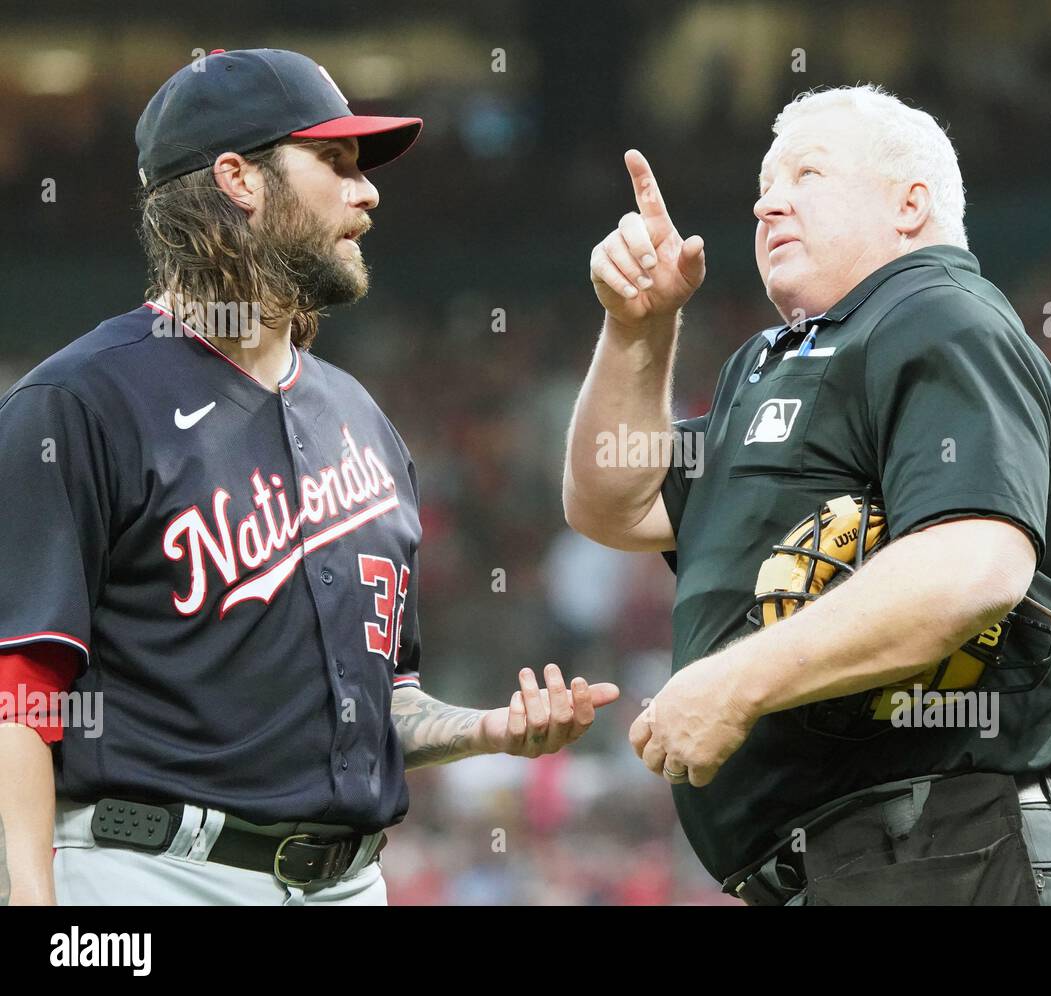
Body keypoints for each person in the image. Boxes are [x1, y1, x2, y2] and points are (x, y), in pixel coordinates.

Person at [0, 48, 617, 907]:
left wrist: (487, 730)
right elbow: (16, 699)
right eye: (335, 162)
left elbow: (383, 701)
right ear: (237, 179)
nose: (366, 192)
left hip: (351, 883)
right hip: (150, 873)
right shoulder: (78, 404)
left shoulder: (361, 419)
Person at [564, 84, 1051, 905]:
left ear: (910, 205)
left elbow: (973, 565)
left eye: (806, 175)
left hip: (940, 848)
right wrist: (640, 327)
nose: (767, 203)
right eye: (764, 187)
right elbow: (613, 502)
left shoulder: (936, 315)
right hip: (854, 866)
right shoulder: (775, 360)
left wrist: (734, 683)